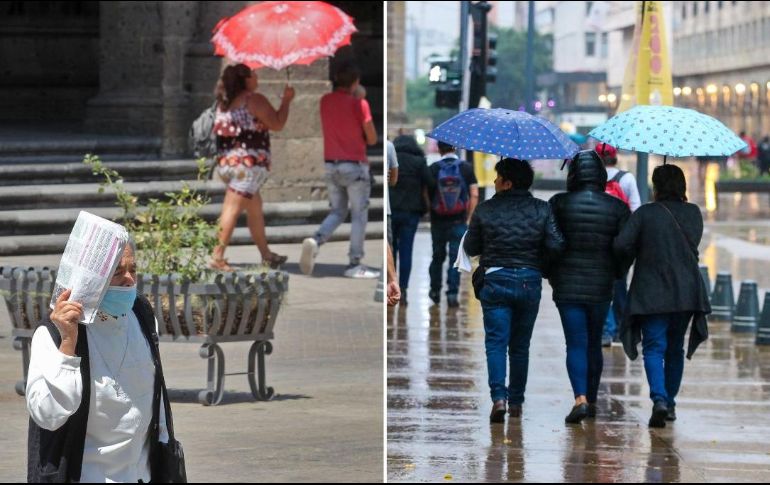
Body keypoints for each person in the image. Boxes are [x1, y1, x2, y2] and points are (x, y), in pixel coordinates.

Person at [26, 243, 175, 482]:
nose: (129, 280)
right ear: (89, 278)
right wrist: (67, 344)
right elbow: (48, 415)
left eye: (132, 270)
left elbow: (155, 403)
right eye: (117, 272)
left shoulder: (142, 315)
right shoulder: (52, 334)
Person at [464, 158, 565, 422]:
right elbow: (556, 244)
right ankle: (517, 402)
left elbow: (471, 247)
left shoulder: (485, 210)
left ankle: (499, 398)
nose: (495, 182)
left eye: (498, 178)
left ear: (507, 183)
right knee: (520, 347)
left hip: (495, 281)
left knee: (496, 343)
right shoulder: (542, 209)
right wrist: (539, 264)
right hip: (529, 281)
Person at [613, 164, 711, 428]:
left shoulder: (645, 214)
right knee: (675, 347)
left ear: (655, 187)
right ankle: (670, 402)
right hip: (685, 292)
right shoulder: (693, 213)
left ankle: (659, 399)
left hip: (651, 290)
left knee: (654, 347)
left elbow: (622, 244)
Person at [549, 150, 630, 424]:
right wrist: (617, 273)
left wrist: (551, 274)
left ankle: (580, 398)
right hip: (601, 285)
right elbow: (624, 248)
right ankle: (593, 400)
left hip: (568, 286)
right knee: (594, 341)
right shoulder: (617, 208)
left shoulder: (559, 203)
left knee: (575, 342)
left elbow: (550, 243)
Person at [209, 63, 295, 272]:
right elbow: (277, 123)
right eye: (254, 74)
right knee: (231, 208)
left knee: (255, 208)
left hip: (228, 164)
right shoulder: (253, 100)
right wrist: (286, 101)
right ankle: (217, 256)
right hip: (246, 167)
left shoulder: (225, 102)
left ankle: (266, 254)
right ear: (245, 79)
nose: (257, 77)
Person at [301, 64, 379, 278]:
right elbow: (372, 138)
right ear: (355, 83)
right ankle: (354, 263)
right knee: (358, 215)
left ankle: (316, 240)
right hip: (354, 166)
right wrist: (361, 97)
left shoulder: (325, 101)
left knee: (337, 211)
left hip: (331, 164)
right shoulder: (359, 104)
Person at [595, 142, 640, 347]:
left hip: (598, 242)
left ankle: (605, 329)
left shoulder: (593, 179)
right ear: (615, 157)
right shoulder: (627, 178)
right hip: (622, 243)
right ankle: (621, 329)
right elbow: (636, 211)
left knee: (601, 287)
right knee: (620, 286)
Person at [428, 142, 479, 307]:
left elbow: (426, 193)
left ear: (439, 149)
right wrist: (468, 217)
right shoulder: (466, 168)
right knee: (454, 259)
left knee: (437, 257)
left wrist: (431, 211)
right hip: (459, 221)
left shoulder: (433, 168)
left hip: (438, 221)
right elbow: (474, 194)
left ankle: (435, 290)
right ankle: (452, 294)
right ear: (454, 148)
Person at [390, 135, 432, 306]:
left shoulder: (393, 158)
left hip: (392, 210)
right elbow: (430, 182)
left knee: (391, 251)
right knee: (406, 251)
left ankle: (390, 285)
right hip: (411, 212)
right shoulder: (419, 162)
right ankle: (404, 290)